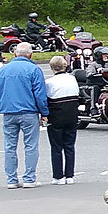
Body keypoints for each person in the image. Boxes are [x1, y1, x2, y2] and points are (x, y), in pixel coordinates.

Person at [0, 41, 47, 188]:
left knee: (9, 146)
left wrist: (2, 106)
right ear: (30, 54)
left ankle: (11, 180)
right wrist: (44, 112)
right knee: (31, 146)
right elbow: (40, 94)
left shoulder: (2, 70)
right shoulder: (34, 69)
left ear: (15, 53)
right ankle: (29, 178)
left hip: (9, 112)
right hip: (29, 112)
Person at [45, 56, 80, 184]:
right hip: (72, 114)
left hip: (56, 116)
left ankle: (58, 176)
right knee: (70, 145)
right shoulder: (72, 79)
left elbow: (46, 98)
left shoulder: (49, 82)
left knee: (56, 146)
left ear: (52, 68)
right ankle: (70, 175)